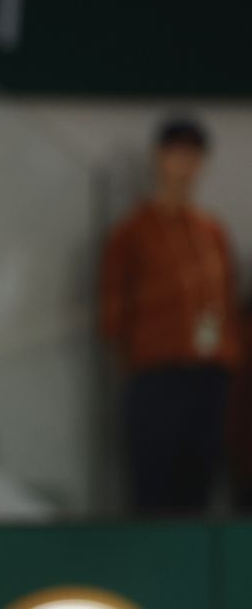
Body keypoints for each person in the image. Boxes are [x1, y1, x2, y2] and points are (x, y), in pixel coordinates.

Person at [100, 116, 241, 516]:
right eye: (177, 154)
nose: (185, 165)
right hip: (157, 377)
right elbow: (113, 312)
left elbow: (226, 300)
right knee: (155, 489)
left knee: (200, 486)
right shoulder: (133, 233)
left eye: (193, 155)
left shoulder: (211, 232)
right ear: (159, 158)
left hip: (210, 375)